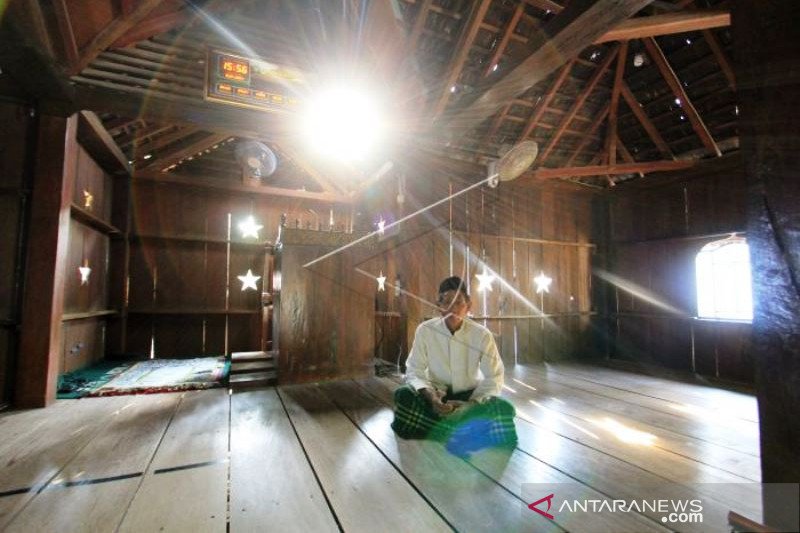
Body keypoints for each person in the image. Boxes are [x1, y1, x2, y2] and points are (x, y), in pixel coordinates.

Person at [391, 276, 517, 455]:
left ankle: (438, 429)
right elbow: (414, 369)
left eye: (458, 302)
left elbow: (494, 377)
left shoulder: (482, 335)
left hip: (470, 397)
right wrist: (431, 397)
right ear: (438, 306)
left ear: (469, 306)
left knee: (503, 408)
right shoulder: (425, 330)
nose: (452, 308)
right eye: (446, 302)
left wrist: (470, 405)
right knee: (403, 395)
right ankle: (462, 431)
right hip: (435, 395)